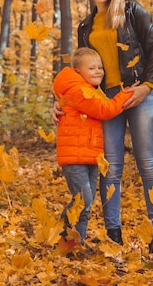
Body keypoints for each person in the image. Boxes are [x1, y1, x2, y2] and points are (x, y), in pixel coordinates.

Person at [54, 0, 153, 254]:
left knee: (148, 166)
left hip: (140, 94)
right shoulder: (85, 26)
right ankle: (113, 236)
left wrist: (147, 86)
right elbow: (80, 73)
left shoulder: (132, 12)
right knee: (110, 168)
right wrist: (62, 100)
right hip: (106, 100)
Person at [53, 47, 132, 242]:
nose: (98, 71)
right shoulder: (80, 91)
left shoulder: (89, 89)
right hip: (75, 157)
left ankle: (74, 242)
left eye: (100, 67)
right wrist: (126, 93)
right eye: (92, 68)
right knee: (83, 200)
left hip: (89, 154)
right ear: (79, 72)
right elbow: (106, 110)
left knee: (85, 204)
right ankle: (62, 229)